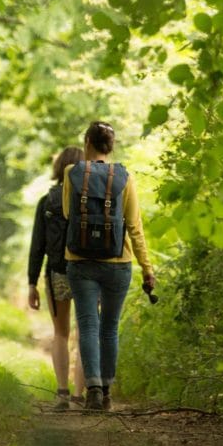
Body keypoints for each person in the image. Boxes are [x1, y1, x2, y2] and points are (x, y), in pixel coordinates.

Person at [63, 121, 156, 411]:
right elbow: (134, 227)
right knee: (109, 328)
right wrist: (147, 268)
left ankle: (91, 389)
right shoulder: (124, 178)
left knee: (88, 325)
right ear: (111, 147)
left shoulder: (71, 173)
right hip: (118, 264)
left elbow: (68, 213)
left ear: (87, 141)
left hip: (80, 261)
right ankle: (106, 392)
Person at [27, 146, 86, 410]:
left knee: (61, 333)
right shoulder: (91, 198)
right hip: (88, 272)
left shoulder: (47, 201)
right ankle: (81, 395)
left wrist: (32, 282)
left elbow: (37, 246)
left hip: (58, 272)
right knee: (87, 332)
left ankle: (62, 393)